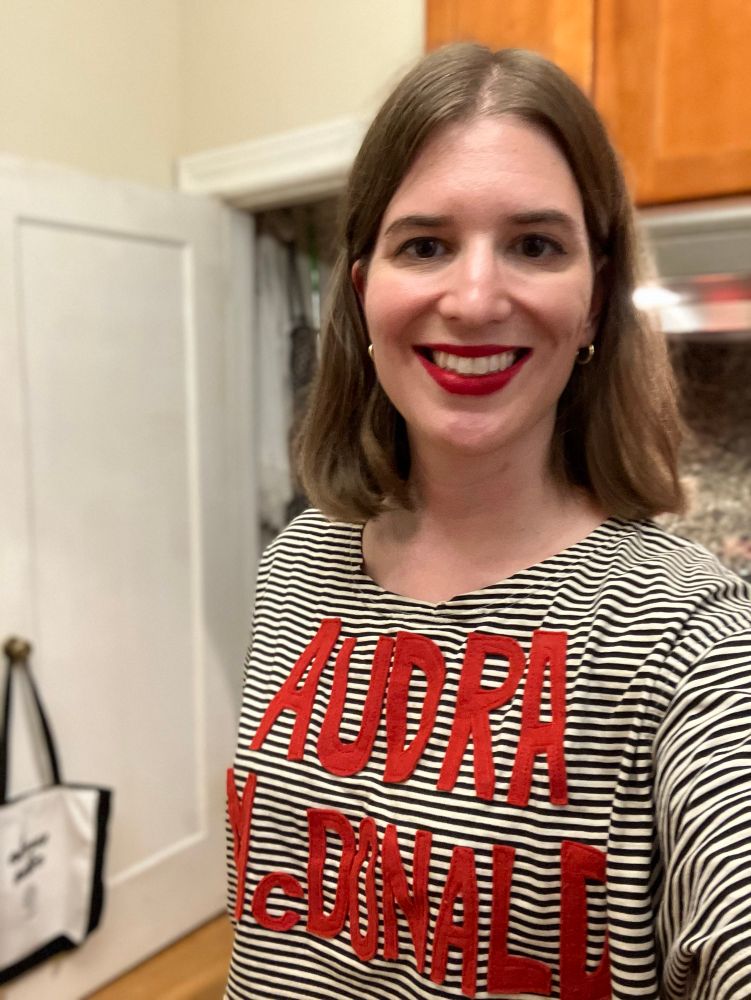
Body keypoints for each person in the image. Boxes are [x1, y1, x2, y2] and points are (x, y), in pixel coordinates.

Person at [224, 43, 751, 1000]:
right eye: (423, 243)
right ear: (362, 289)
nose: (472, 300)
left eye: (535, 244)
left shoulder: (688, 636)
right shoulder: (296, 565)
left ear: (594, 297)